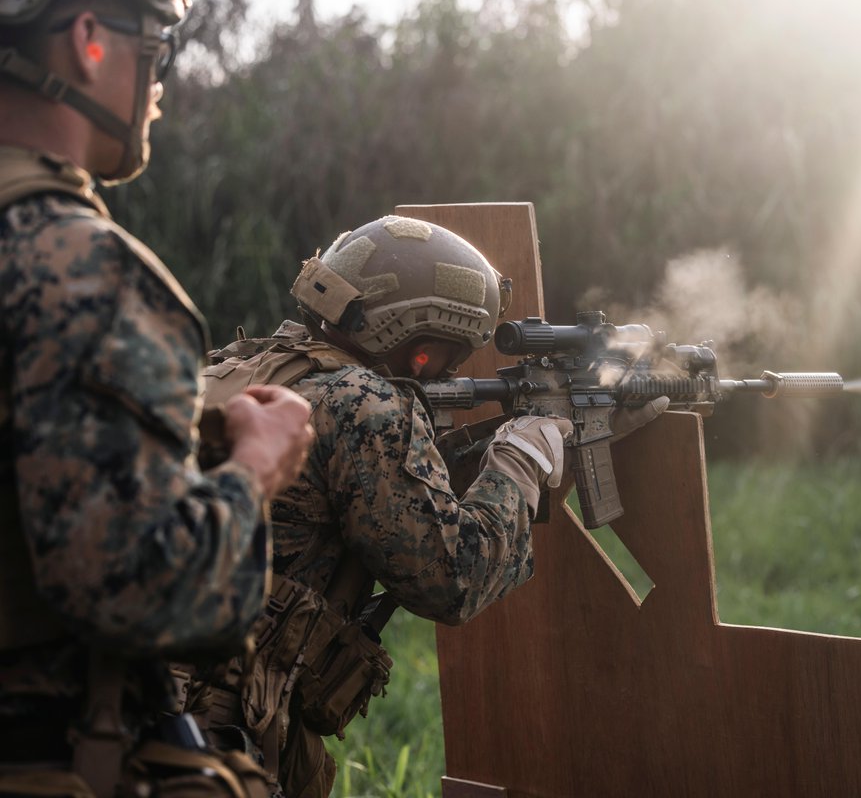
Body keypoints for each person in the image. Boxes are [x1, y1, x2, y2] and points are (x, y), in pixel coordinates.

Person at [188, 215, 667, 798]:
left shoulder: (243, 366)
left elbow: (391, 495)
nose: (453, 371)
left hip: (155, 693)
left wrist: (549, 438)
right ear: (412, 338)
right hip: (223, 729)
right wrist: (518, 465)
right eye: (447, 354)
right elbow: (451, 577)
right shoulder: (365, 402)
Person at [0, 0, 314, 795]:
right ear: (88, 41)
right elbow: (150, 597)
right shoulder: (83, 271)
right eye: (159, 46)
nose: (162, 85)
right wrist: (253, 470)